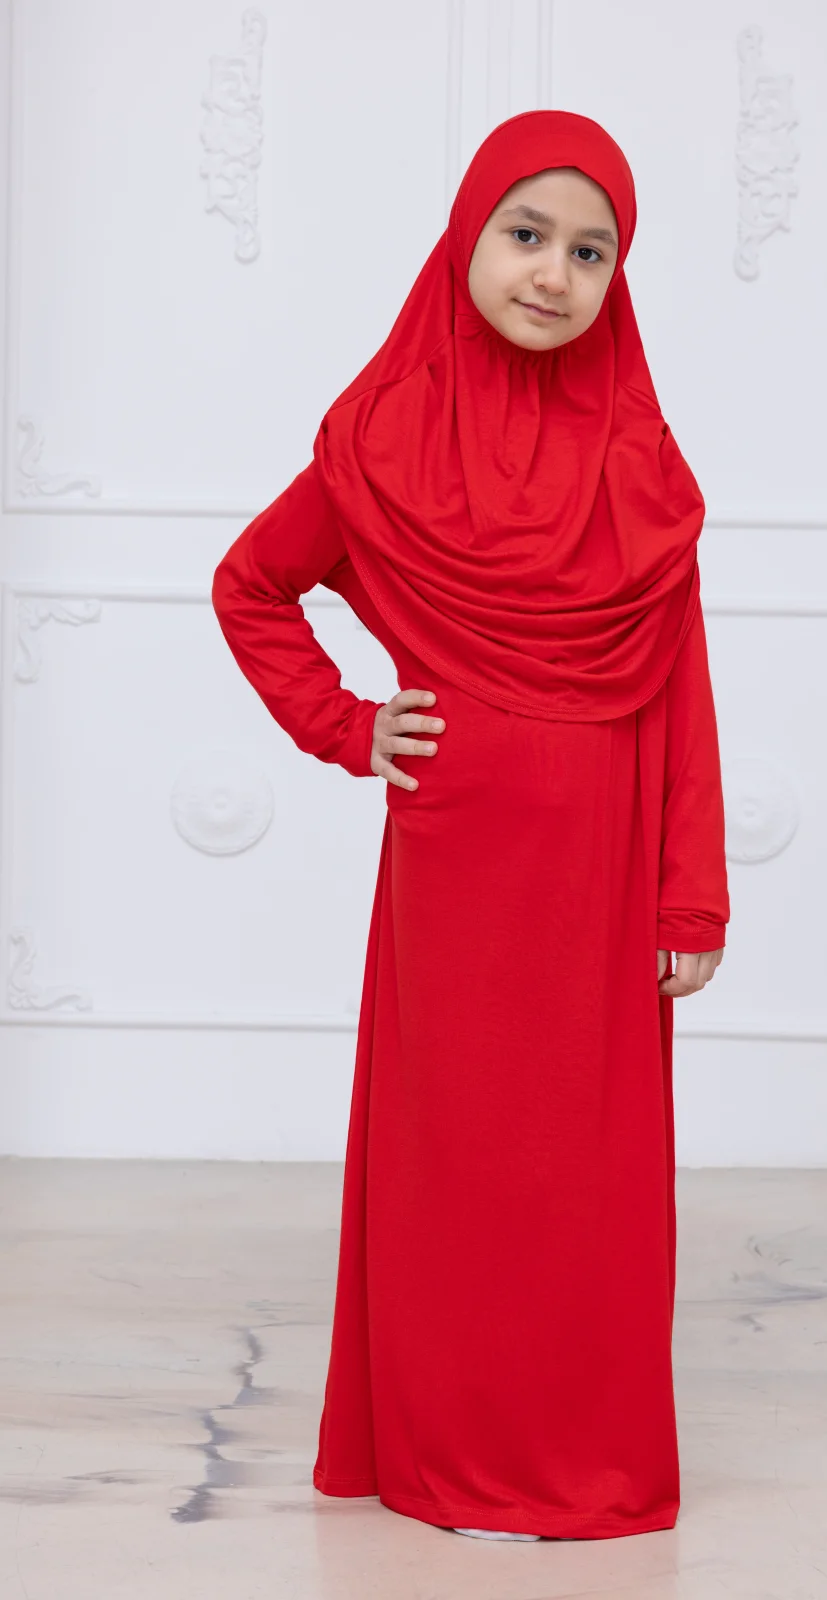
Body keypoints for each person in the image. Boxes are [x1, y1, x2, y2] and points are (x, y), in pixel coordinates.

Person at [212, 108, 729, 1543]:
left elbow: (682, 694)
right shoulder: (381, 440)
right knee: (453, 1166)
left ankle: (578, 1459)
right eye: (526, 234)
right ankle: (439, 1451)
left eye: (591, 251)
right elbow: (252, 586)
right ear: (465, 238)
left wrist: (689, 896)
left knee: (587, 1180)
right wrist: (346, 724)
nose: (553, 274)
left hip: (602, 874)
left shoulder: (638, 468)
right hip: (456, 868)